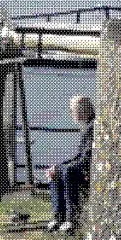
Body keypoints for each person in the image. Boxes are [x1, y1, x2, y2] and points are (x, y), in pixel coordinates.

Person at [45, 93, 94, 232]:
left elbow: (86, 158)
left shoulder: (92, 127)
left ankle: (71, 219)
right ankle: (58, 217)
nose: (72, 114)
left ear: (81, 111)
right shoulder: (87, 126)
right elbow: (79, 155)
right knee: (57, 172)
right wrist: (57, 167)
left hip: (89, 172)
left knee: (68, 171)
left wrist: (63, 168)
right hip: (83, 168)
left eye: (73, 110)